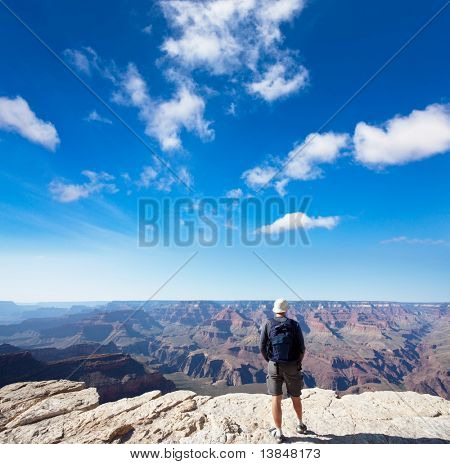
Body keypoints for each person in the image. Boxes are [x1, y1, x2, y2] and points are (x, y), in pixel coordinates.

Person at [259, 298, 306, 443]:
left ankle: (279, 433)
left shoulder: (268, 323)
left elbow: (262, 346)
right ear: (286, 310)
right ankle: (300, 425)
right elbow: (302, 348)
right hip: (292, 365)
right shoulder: (294, 324)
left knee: (276, 398)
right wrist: (297, 362)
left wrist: (271, 360)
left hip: (274, 365)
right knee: (295, 396)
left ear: (275, 310)